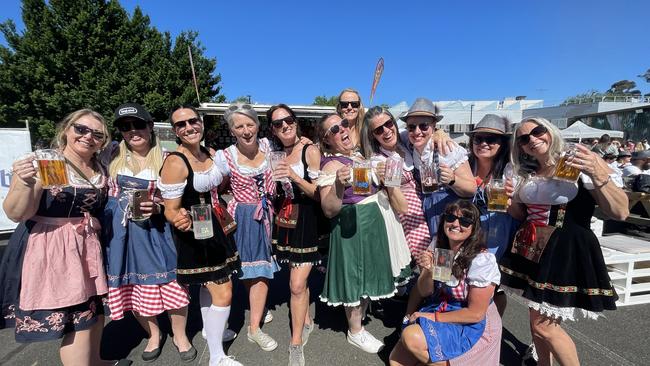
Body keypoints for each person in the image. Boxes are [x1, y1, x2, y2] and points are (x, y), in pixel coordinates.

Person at [500, 117, 628, 366]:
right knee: (535, 317)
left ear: (550, 131)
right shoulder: (526, 172)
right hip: (532, 248)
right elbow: (520, 215)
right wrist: (511, 203)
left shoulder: (578, 162)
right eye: (524, 139)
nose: (532, 140)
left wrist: (597, 171)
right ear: (521, 147)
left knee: (545, 326)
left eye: (538, 131)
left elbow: (621, 212)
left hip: (565, 249)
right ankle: (541, 363)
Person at [0, 109, 116, 365]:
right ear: (66, 129)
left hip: (88, 245)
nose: (88, 137)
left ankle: (96, 360)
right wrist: (24, 182)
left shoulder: (100, 165)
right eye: (81, 129)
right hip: (52, 246)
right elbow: (17, 213)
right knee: (78, 322)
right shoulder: (48, 161)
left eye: (97, 134)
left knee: (95, 312)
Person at [102, 103, 193, 363]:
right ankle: (153, 334)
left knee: (172, 286)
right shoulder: (111, 156)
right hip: (122, 237)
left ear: (150, 126)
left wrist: (158, 205)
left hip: (157, 232)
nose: (133, 131)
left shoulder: (166, 158)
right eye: (125, 127)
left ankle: (179, 335)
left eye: (138, 124)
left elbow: (178, 199)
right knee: (135, 289)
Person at [318, 113, 409, 354]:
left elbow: (388, 183)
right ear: (327, 140)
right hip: (352, 226)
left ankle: (359, 322)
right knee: (355, 279)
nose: (343, 130)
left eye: (344, 124)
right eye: (334, 129)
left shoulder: (358, 155)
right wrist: (338, 184)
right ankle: (355, 331)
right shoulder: (331, 164)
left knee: (367, 276)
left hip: (372, 223)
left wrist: (384, 174)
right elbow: (328, 210)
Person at [159, 105, 242, 366]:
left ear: (201, 122)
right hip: (197, 231)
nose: (188, 128)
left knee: (211, 286)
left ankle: (210, 330)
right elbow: (170, 210)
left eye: (192, 121)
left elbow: (220, 184)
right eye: (180, 125)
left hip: (217, 224)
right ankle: (217, 357)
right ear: (175, 131)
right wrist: (179, 219)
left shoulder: (210, 153)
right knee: (224, 292)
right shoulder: (175, 161)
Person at [389, 200, 502, 366]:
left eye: (464, 221)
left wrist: (431, 317)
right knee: (396, 362)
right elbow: (425, 291)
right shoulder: (440, 245)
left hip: (470, 322)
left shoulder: (482, 260)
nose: (455, 224)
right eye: (450, 217)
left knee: (411, 338)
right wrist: (427, 270)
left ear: (473, 228)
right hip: (442, 305)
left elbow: (475, 314)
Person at [213, 103, 280, 352]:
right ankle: (255, 327)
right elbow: (211, 185)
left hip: (268, 214)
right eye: (239, 126)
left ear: (258, 125)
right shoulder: (225, 156)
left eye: (250, 124)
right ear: (232, 131)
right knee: (253, 270)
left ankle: (255, 320)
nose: (245, 130)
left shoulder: (269, 146)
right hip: (243, 216)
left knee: (259, 270)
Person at [266, 104, 321, 365]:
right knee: (298, 279)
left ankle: (296, 341)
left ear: (296, 122)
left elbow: (318, 193)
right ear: (273, 130)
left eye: (288, 120)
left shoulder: (310, 150)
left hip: (307, 221)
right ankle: (306, 319)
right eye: (278, 123)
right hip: (284, 219)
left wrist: (294, 177)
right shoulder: (274, 153)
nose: (285, 126)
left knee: (296, 285)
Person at [466, 114, 520, 315]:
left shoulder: (508, 171)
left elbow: (519, 214)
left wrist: (509, 202)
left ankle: (494, 327)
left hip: (498, 235)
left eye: (491, 139)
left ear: (502, 144)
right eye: (478, 138)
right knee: (469, 285)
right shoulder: (466, 165)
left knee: (492, 287)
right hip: (469, 233)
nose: (483, 143)